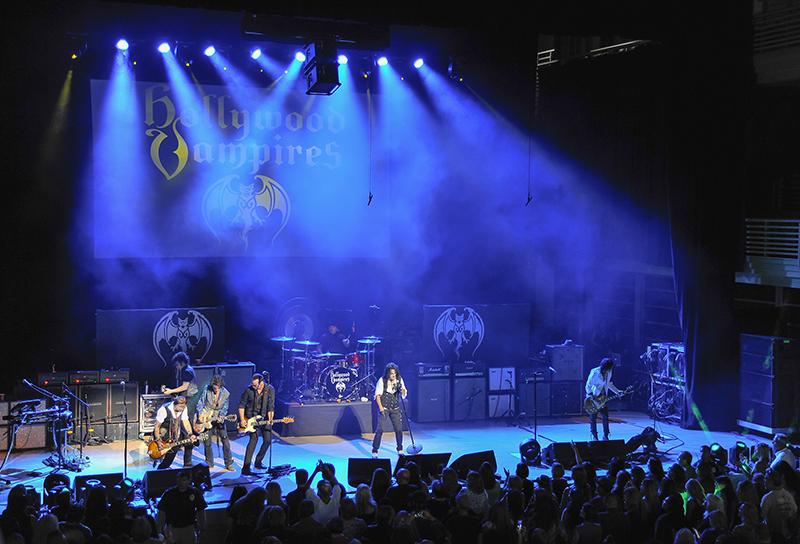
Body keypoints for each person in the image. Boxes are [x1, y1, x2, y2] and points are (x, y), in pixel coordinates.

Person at [238, 373, 275, 476]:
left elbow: (271, 406)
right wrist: (242, 419)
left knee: (267, 440)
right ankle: (246, 467)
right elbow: (241, 404)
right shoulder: (249, 390)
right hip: (251, 418)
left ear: (261, 382)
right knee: (253, 440)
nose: (253, 387)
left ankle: (258, 461)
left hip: (264, 418)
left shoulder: (269, 390)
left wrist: (270, 419)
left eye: (255, 385)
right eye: (252, 384)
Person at [156, 470, 207, 544]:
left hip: (188, 529)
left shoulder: (194, 493)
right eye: (179, 480)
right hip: (172, 529)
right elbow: (161, 513)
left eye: (183, 480)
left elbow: (201, 511)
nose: (180, 483)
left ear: (189, 481)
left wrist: (203, 529)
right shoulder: (169, 494)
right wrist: (158, 530)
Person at [196, 375, 234, 471]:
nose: (216, 390)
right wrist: (200, 414)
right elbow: (200, 402)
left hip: (217, 417)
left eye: (218, 388)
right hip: (207, 415)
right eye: (214, 388)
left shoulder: (226, 394)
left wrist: (222, 417)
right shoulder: (206, 389)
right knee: (207, 441)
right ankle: (209, 462)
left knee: (225, 441)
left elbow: (225, 408)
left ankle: (228, 463)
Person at [372, 362, 407, 457]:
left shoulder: (399, 380)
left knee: (398, 430)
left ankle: (400, 449)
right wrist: (381, 409)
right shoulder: (382, 380)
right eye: (391, 373)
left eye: (395, 373)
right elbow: (377, 395)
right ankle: (375, 450)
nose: (393, 375)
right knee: (380, 429)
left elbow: (404, 394)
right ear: (388, 373)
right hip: (385, 408)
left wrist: (402, 389)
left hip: (395, 408)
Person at [153, 396, 198, 470]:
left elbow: (185, 421)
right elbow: (157, 426)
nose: (182, 410)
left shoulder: (183, 408)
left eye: (183, 408)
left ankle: (186, 464)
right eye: (181, 408)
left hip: (175, 429)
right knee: (172, 449)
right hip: (163, 430)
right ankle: (161, 469)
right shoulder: (164, 409)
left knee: (183, 444)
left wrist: (190, 434)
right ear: (175, 405)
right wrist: (158, 440)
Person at [584, 357, 622, 441]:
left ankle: (606, 435)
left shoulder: (609, 372)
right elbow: (588, 385)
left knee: (605, 416)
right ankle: (594, 435)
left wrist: (617, 391)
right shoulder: (594, 372)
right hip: (594, 397)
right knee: (593, 417)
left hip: (604, 398)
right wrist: (590, 397)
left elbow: (609, 384)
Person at [163, 352, 200, 423]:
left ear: (182, 362)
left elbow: (184, 387)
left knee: (187, 419)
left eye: (177, 364)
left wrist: (171, 391)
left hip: (190, 398)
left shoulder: (187, 371)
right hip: (190, 397)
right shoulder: (188, 369)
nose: (176, 367)